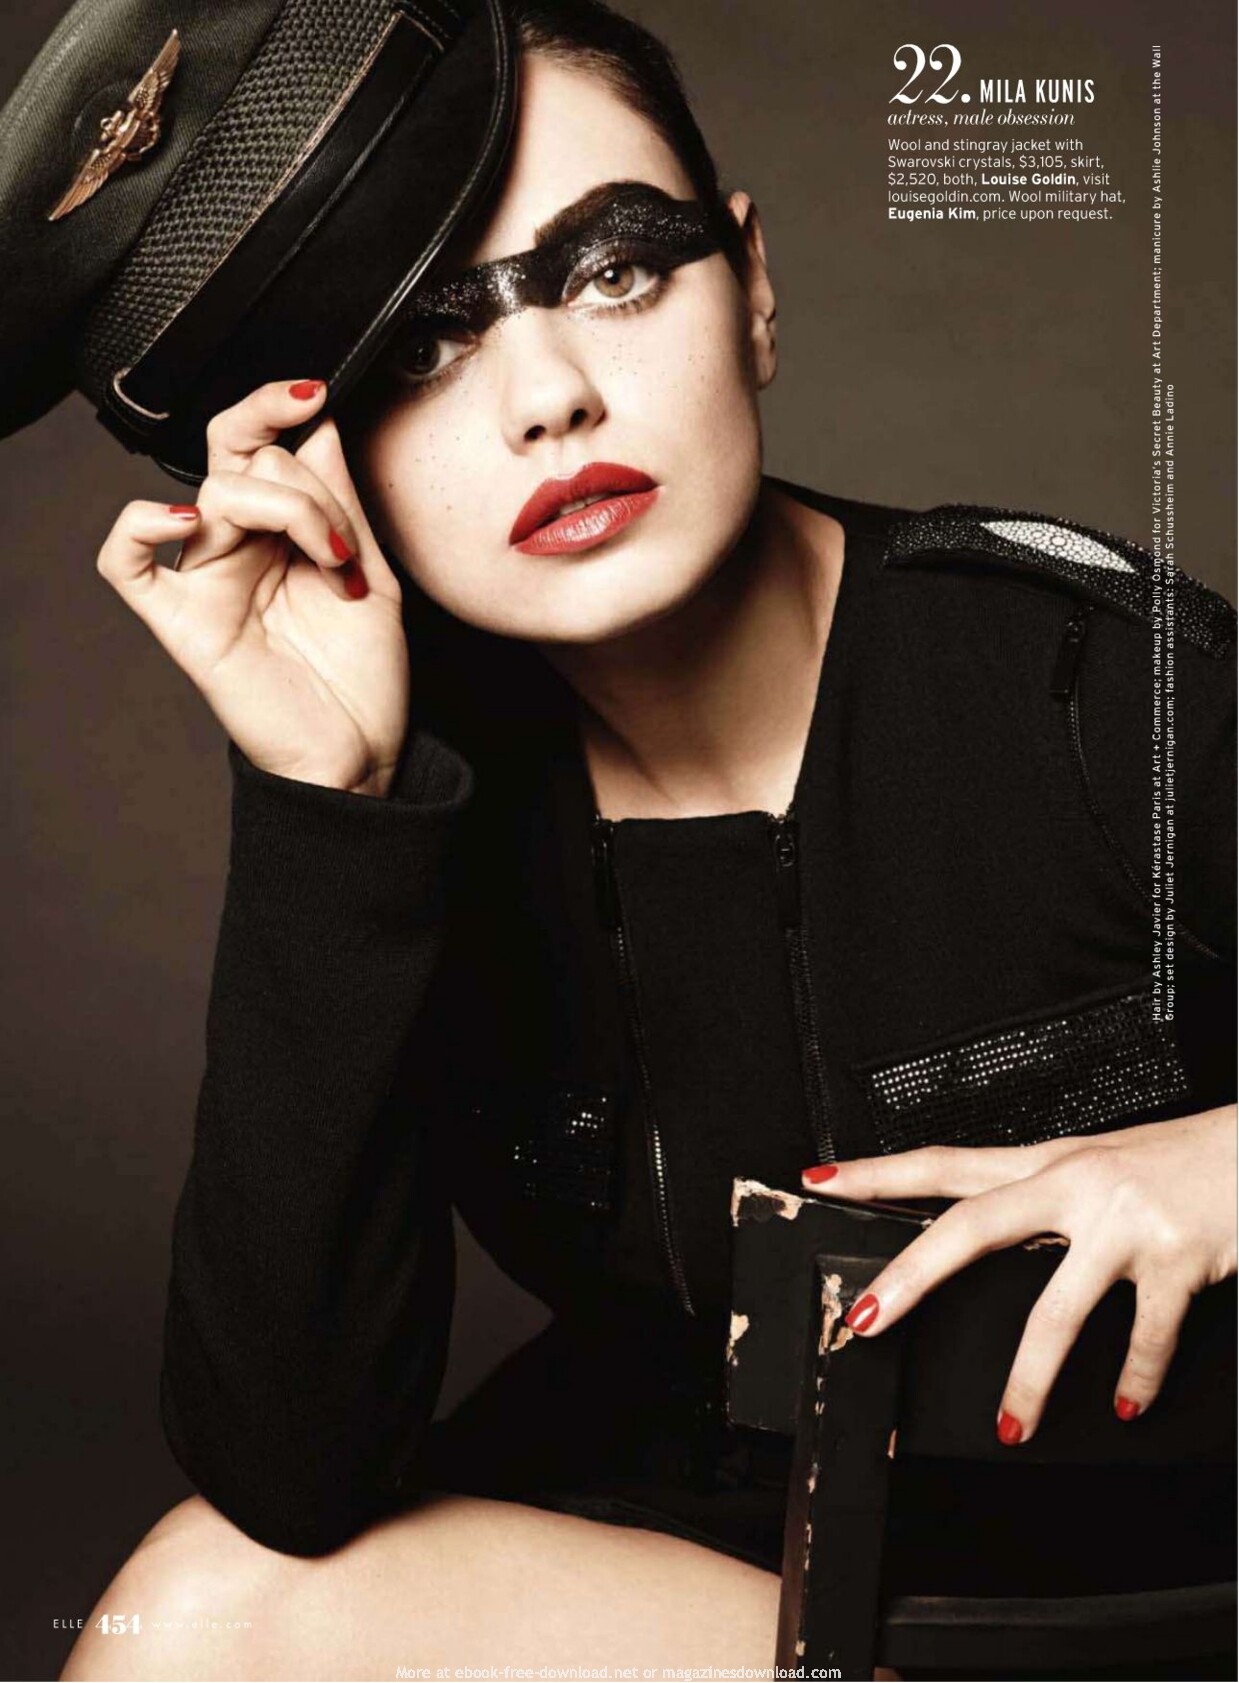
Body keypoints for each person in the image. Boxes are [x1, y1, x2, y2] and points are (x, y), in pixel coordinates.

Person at [28, 0, 1234, 1677]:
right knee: (201, 1610)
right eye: (421, 346)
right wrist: (328, 805)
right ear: (316, 457)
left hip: (1156, 1614)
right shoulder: (420, 793)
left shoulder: (1093, 676)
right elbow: (285, 1471)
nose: (549, 398)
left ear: (751, 287)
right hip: (697, 1585)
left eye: (614, 270)